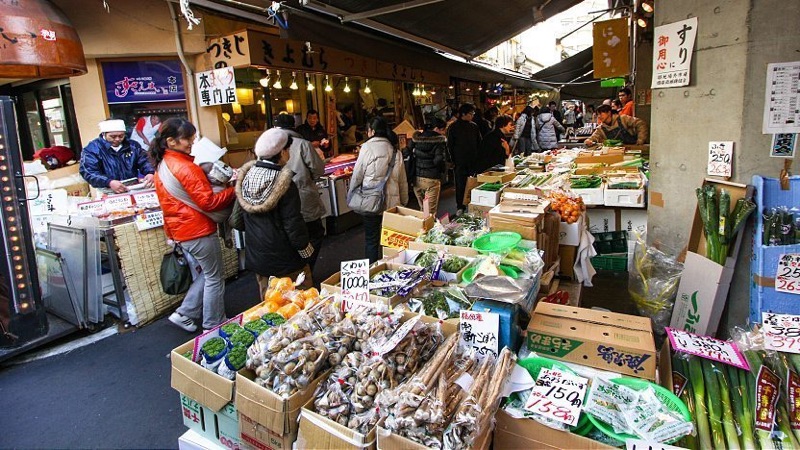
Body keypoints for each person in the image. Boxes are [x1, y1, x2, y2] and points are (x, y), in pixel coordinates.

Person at [150, 118, 236, 333]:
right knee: (215, 277)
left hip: (182, 231)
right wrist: (234, 189)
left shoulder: (163, 165)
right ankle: (214, 324)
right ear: (171, 141)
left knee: (208, 274)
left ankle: (184, 313)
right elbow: (208, 202)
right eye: (188, 139)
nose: (192, 142)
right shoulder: (186, 167)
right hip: (197, 231)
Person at [236, 128, 315, 296]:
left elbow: (237, 220)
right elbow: (293, 224)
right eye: (288, 150)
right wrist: (305, 250)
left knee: (271, 302)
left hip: (258, 255)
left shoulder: (246, 177)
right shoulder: (285, 184)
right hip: (285, 256)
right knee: (300, 301)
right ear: (282, 152)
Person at [348, 116, 408, 263]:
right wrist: (404, 201)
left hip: (370, 201)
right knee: (391, 241)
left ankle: (372, 271)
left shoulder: (366, 148)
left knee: (371, 240)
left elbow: (357, 175)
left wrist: (352, 193)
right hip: (392, 203)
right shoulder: (395, 151)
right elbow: (402, 180)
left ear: (372, 131)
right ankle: (391, 271)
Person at [274, 113, 326, 270]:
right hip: (303, 196)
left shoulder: (270, 144)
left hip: (278, 199)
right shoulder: (303, 144)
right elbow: (318, 169)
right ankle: (305, 267)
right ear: (294, 127)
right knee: (314, 233)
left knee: (291, 234)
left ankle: (298, 269)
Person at [80, 119, 155, 193]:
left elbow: (145, 161)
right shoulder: (92, 149)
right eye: (113, 136)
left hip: (133, 188)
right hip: (107, 190)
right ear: (104, 134)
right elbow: (88, 171)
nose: (117, 139)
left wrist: (150, 173)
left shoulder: (133, 146)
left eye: (121, 136)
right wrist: (109, 182)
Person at [446, 103, 482, 214]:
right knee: (461, 184)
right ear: (463, 114)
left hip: (472, 161)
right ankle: (460, 207)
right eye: (471, 113)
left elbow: (479, 143)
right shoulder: (453, 127)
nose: (472, 115)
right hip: (459, 162)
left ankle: (472, 205)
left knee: (473, 184)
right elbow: (449, 146)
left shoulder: (474, 126)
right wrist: (451, 161)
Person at [407, 118, 446, 216]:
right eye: (443, 129)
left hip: (417, 178)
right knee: (430, 213)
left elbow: (406, 152)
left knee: (423, 210)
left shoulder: (416, 139)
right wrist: (442, 169)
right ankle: (428, 230)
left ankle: (422, 229)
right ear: (436, 129)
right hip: (431, 179)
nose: (444, 132)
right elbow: (438, 160)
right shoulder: (439, 141)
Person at [584, 104, 649, 146]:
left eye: (601, 114)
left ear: (609, 112)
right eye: (598, 115)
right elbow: (593, 137)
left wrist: (640, 140)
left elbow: (641, 123)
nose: (599, 116)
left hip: (634, 148)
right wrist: (588, 141)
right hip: (617, 152)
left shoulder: (623, 119)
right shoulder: (601, 128)